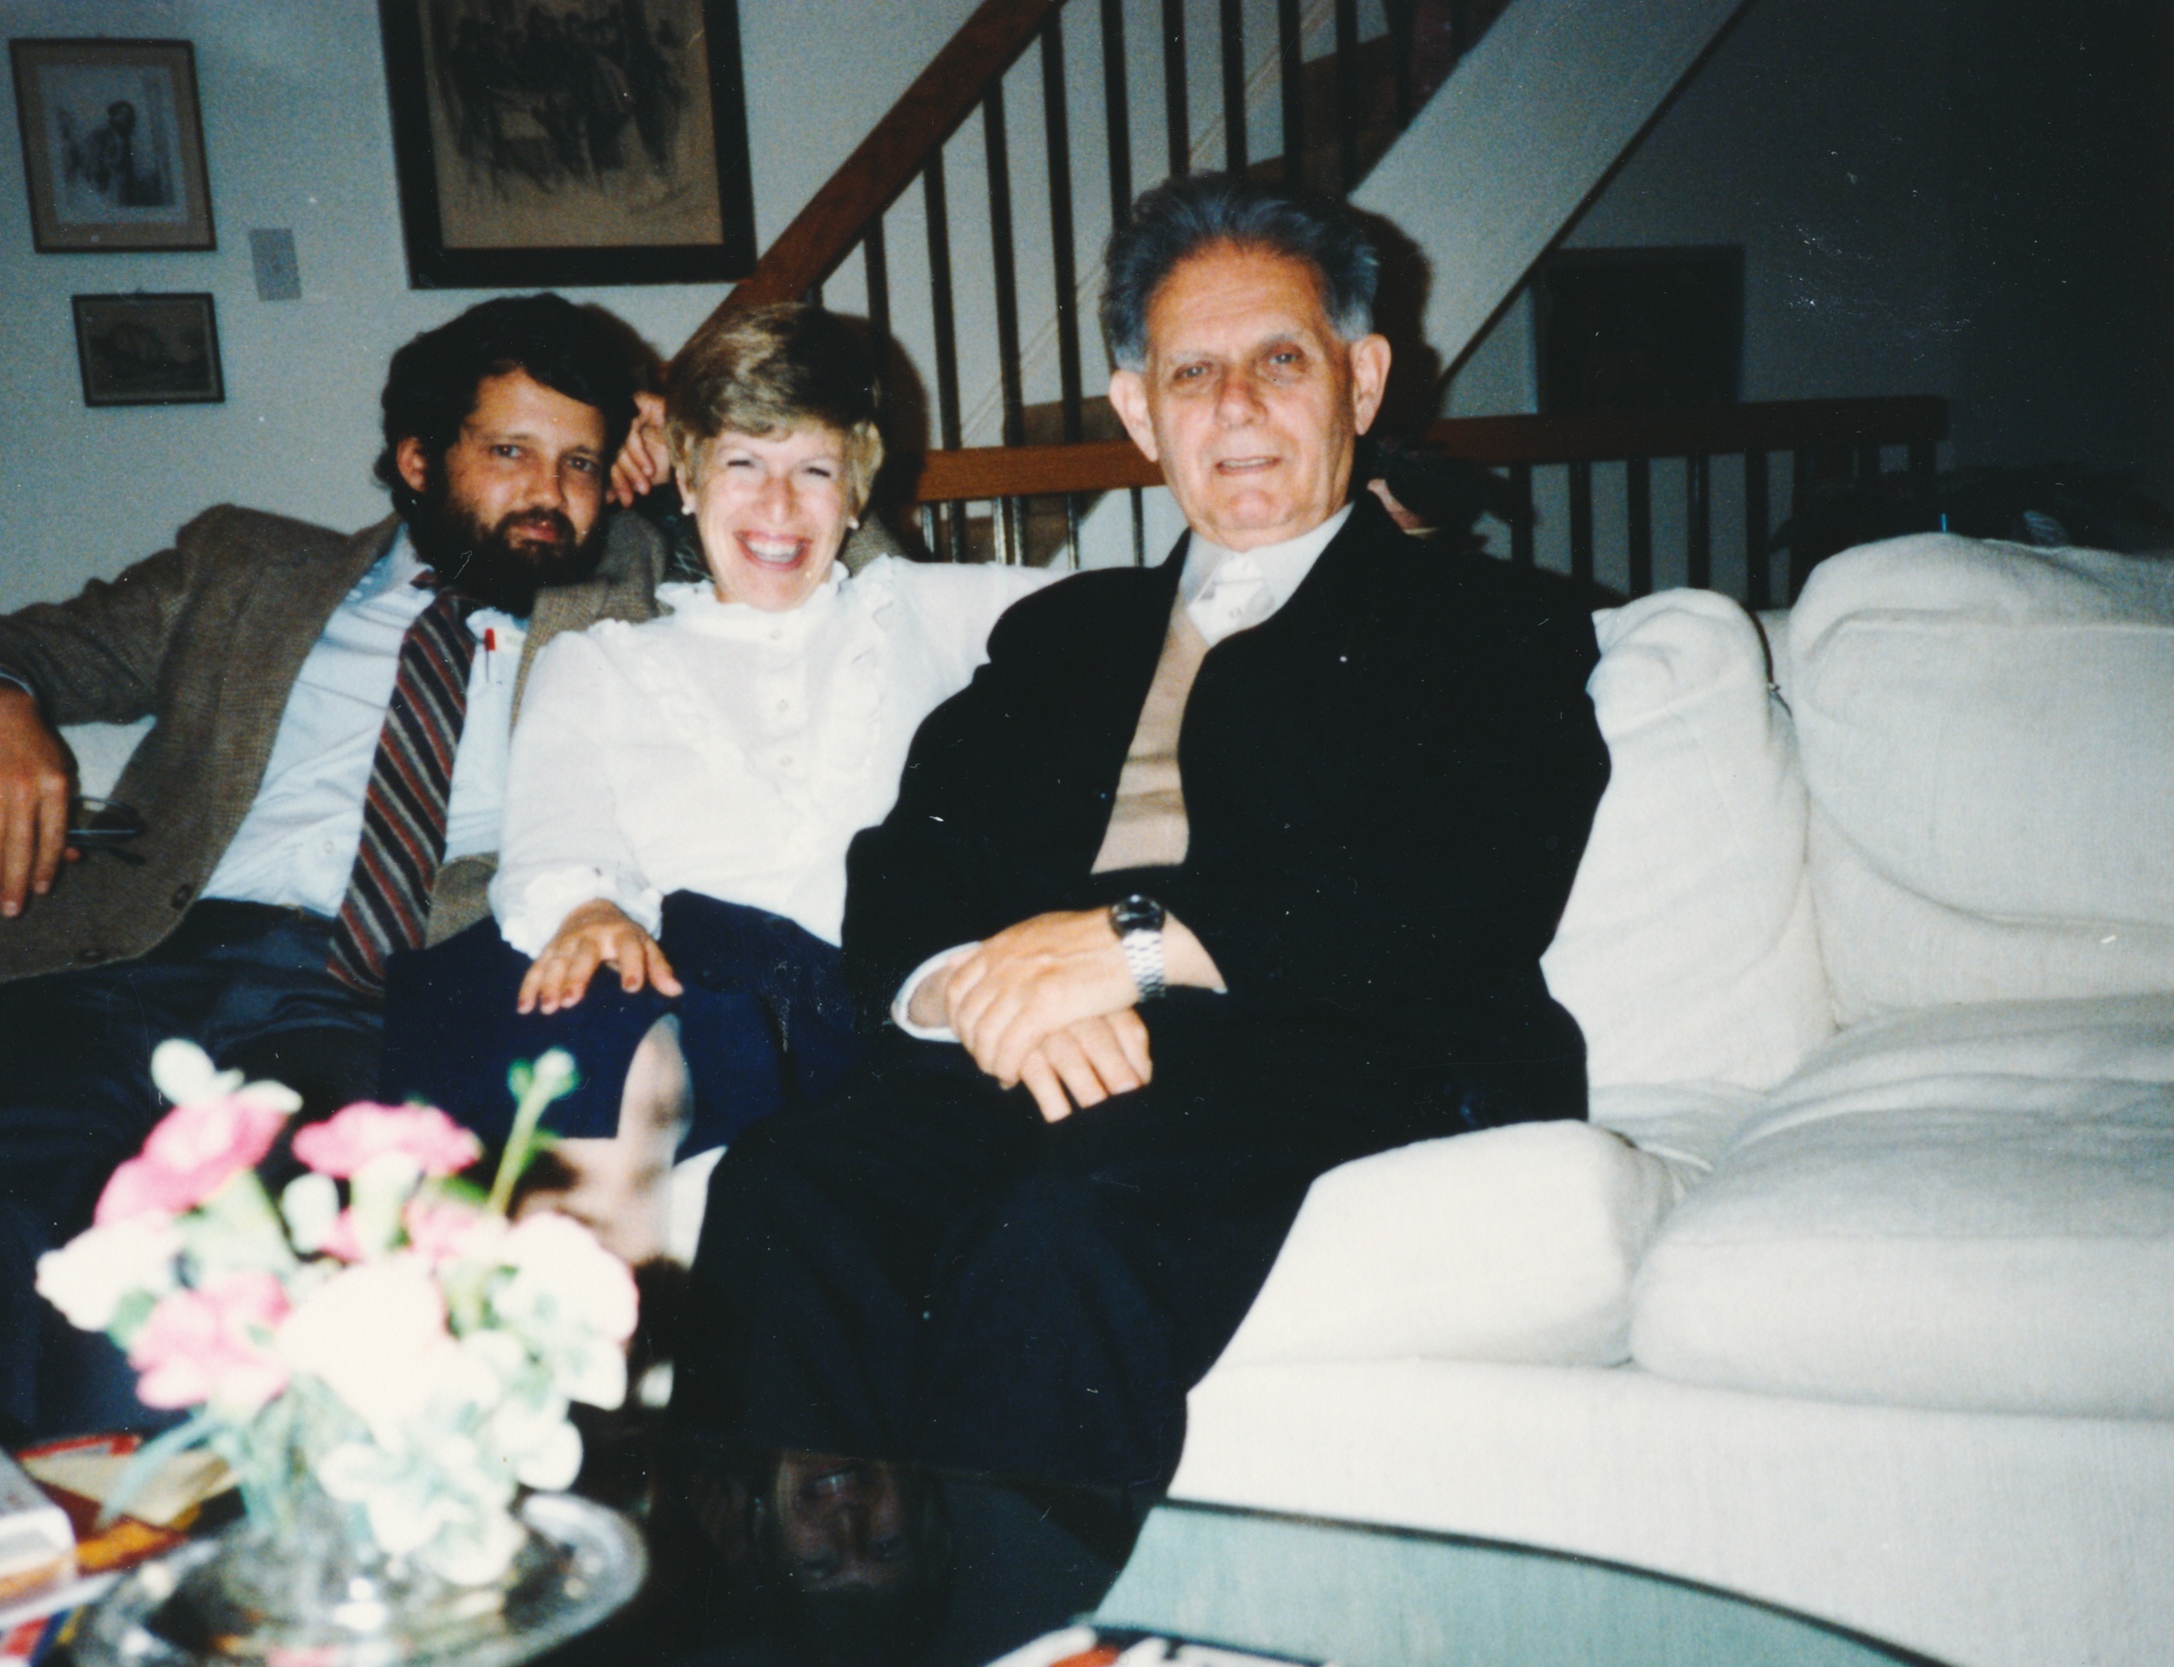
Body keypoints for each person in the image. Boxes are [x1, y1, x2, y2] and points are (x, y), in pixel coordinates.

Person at [676, 175, 1614, 1495]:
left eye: (1280, 361)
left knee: (1061, 1226)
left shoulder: (1493, 621)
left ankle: (984, 1608)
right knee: (788, 1188)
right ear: (1138, 411)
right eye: (1192, 373)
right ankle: (773, 1606)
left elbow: (1470, 869)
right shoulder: (1064, 630)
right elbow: (911, 853)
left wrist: (1132, 942)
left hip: (1323, 1046)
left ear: (1362, 379)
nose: (1235, 408)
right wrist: (975, 984)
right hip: (1030, 1045)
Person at [0, 295, 677, 1447]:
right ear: (418, 458)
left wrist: (697, 433)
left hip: (365, 992)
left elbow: (840, 558)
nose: (549, 492)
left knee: (238, 1264)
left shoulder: (627, 584)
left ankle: (154, 1541)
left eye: (580, 462)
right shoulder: (247, 565)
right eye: (510, 451)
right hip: (130, 965)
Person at [380, 303, 1053, 1262]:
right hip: (681, 976)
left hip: (872, 1001)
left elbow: (1141, 620)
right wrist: (588, 909)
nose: (778, 507)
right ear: (686, 479)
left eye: (814, 471)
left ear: (855, 495)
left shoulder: (920, 609)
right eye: (742, 463)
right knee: (600, 1007)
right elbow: (554, 845)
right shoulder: (599, 661)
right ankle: (577, 1332)